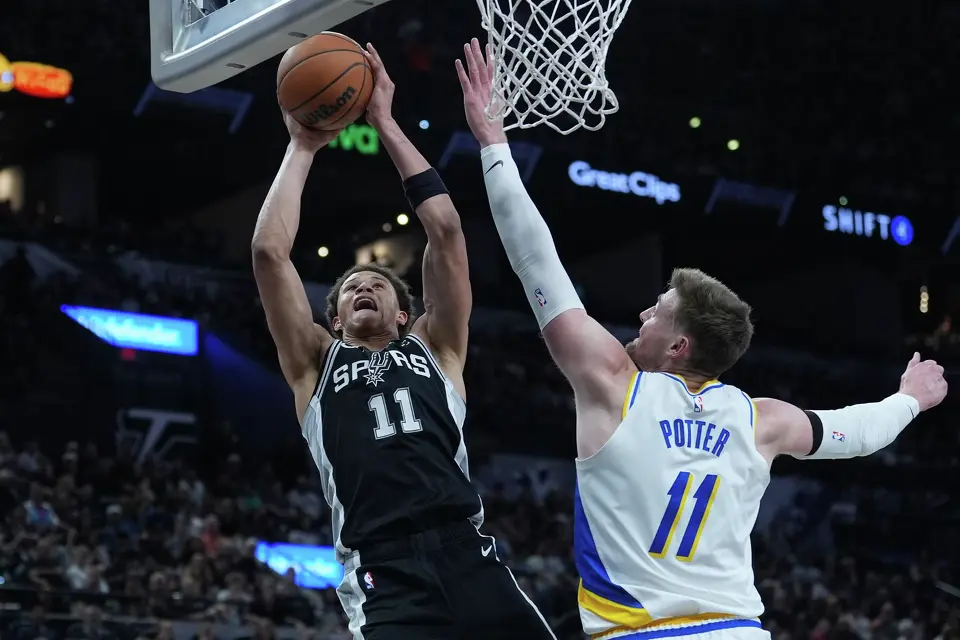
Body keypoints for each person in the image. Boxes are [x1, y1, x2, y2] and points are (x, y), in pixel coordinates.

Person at [456, 38, 949, 640]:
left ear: (679, 346)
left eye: (658, 311)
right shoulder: (760, 419)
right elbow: (859, 433)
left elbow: (537, 262)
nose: (643, 311)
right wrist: (911, 398)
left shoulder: (614, 386)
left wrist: (493, 143)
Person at [252, 43, 555, 640]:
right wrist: (302, 146)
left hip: (469, 554)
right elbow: (268, 252)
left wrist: (385, 122)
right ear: (333, 319)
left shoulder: (436, 348)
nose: (364, 287)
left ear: (404, 314)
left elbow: (445, 230)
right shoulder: (314, 362)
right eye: (350, 288)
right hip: (384, 573)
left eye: (378, 284)